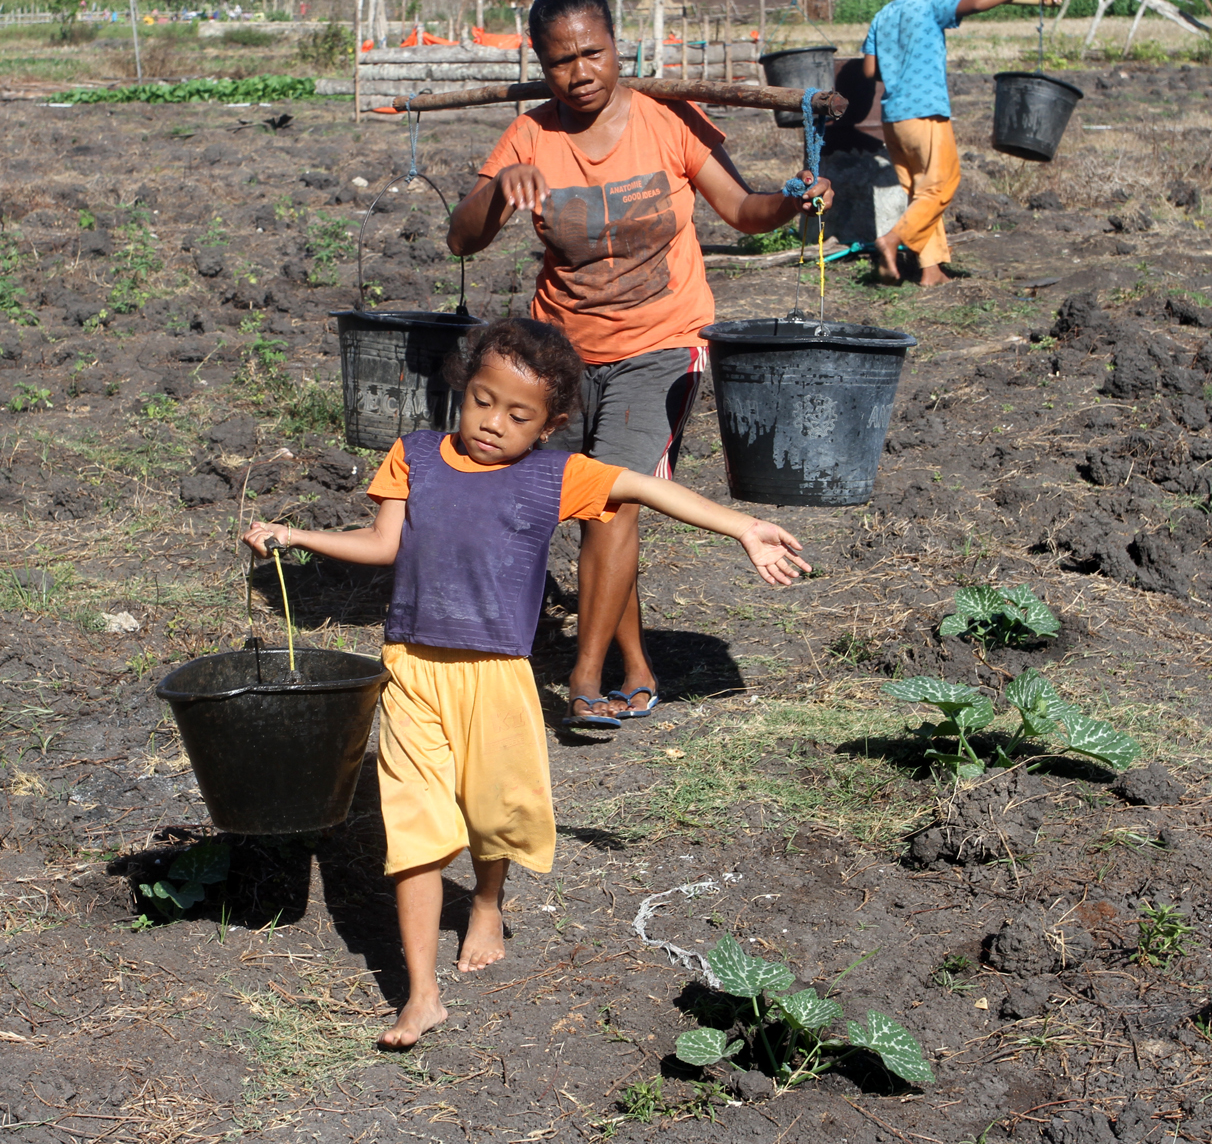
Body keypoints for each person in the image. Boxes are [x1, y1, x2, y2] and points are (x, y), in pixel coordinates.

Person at [242, 319, 811, 1050]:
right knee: (413, 830)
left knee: (494, 807)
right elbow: (382, 544)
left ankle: (486, 899)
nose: (492, 424)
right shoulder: (414, 455)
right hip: (411, 670)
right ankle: (421, 994)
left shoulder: (555, 476)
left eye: (518, 416)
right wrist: (298, 536)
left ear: (550, 424)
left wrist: (741, 528)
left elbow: (644, 488)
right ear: (461, 385)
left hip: (499, 677)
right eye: (482, 401)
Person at [443, 0, 831, 731]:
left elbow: (745, 211)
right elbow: (462, 239)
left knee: (612, 500)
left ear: (620, 47)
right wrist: (500, 192)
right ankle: (640, 664)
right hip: (560, 354)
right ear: (541, 64)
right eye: (561, 61)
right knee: (590, 507)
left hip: (663, 344)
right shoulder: (530, 136)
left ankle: (584, 677)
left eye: (594, 51)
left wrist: (792, 200)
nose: (580, 71)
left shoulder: (669, 119)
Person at [861, 0, 1061, 287]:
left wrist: (899, 64)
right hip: (924, 111)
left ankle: (931, 270)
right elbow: (978, 2)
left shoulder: (882, 16)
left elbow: (869, 71)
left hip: (893, 117)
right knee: (942, 184)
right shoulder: (931, 3)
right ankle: (893, 240)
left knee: (921, 193)